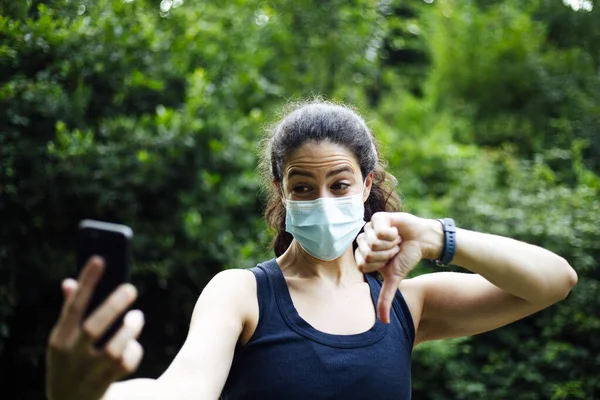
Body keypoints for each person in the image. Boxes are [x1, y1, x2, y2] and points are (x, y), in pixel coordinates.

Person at [45, 100, 578, 400]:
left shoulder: (407, 304)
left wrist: (439, 237)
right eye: (302, 186)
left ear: (367, 186)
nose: (322, 200)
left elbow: (554, 281)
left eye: (340, 185)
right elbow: (182, 389)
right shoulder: (242, 295)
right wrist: (84, 396)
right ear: (282, 191)